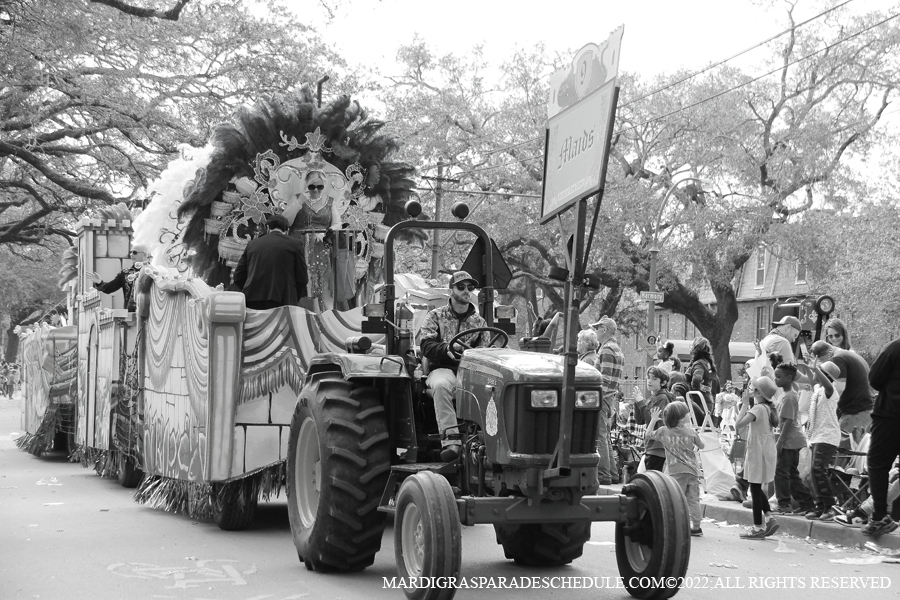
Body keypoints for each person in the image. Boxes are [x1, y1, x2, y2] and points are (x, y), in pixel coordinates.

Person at [418, 271, 488, 462]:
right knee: (441, 385)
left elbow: (486, 351)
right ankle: (452, 442)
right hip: (442, 369)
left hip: (470, 372)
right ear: (451, 290)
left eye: (470, 288)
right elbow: (426, 345)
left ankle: (489, 441)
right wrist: (448, 348)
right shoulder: (435, 316)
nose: (467, 291)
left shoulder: (479, 322)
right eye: (461, 287)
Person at [645, 402, 705, 536]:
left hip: (676, 471)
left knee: (677, 499)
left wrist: (654, 419)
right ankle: (696, 527)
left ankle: (676, 525)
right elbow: (702, 446)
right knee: (693, 499)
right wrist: (696, 435)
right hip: (693, 471)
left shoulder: (663, 431)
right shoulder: (691, 432)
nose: (689, 414)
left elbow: (648, 435)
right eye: (687, 413)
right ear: (680, 417)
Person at [862, 336, 900, 537]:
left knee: (878, 463)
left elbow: (875, 379)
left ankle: (879, 516)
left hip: (891, 415)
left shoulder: (894, 347)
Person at [735, 376, 781, 539]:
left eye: (753, 388)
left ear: (757, 392)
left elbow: (738, 424)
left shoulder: (758, 409)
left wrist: (745, 404)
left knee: (754, 488)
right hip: (766, 449)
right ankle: (769, 517)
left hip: (757, 450)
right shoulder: (767, 408)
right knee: (756, 486)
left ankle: (758, 527)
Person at [233, 215, 308, 310]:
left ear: (268, 228)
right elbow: (302, 278)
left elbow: (238, 276)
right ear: (287, 230)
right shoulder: (295, 244)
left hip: (253, 300)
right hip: (284, 300)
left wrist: (250, 289)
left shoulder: (252, 244)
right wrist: (293, 296)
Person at [772, 363, 815, 515]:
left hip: (790, 440)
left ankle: (784, 503)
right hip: (794, 439)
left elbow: (788, 421)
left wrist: (780, 441)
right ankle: (806, 504)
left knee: (781, 472)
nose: (775, 379)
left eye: (778, 376)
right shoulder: (788, 393)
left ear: (789, 378)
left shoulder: (789, 396)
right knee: (791, 473)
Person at [801, 361, 842, 520]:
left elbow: (828, 384)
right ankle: (820, 506)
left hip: (828, 435)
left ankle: (830, 506)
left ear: (826, 377)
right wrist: (811, 368)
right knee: (814, 472)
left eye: (820, 373)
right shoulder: (818, 390)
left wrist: (816, 370)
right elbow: (813, 380)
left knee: (818, 469)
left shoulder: (830, 391)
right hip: (817, 435)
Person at [810, 340, 873, 433]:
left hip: (854, 413)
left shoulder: (837, 359)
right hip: (865, 411)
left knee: (840, 445)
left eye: (821, 361)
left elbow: (839, 388)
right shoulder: (849, 355)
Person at [590, 316, 625, 485]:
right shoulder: (617, 349)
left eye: (597, 329)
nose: (595, 332)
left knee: (600, 436)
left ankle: (603, 475)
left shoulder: (606, 350)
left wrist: (596, 399)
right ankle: (612, 473)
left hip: (602, 399)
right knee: (605, 436)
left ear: (604, 330)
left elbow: (604, 379)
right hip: (609, 398)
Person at [632, 366, 673, 472]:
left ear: (663, 383)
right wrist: (637, 403)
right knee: (643, 476)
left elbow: (652, 421)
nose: (649, 381)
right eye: (648, 377)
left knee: (651, 480)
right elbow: (640, 420)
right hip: (651, 446)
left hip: (657, 447)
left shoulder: (662, 398)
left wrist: (640, 402)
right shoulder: (653, 398)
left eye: (654, 379)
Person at [87, 242, 149, 311]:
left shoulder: (153, 272)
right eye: (130, 252)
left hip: (151, 315)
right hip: (131, 315)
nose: (131, 255)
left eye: (134, 252)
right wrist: (99, 282)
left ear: (144, 255)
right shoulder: (125, 273)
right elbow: (110, 288)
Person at [687, 336, 717, 422]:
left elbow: (696, 378)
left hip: (699, 401)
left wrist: (698, 386)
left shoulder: (699, 364)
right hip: (707, 399)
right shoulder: (708, 363)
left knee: (697, 427)